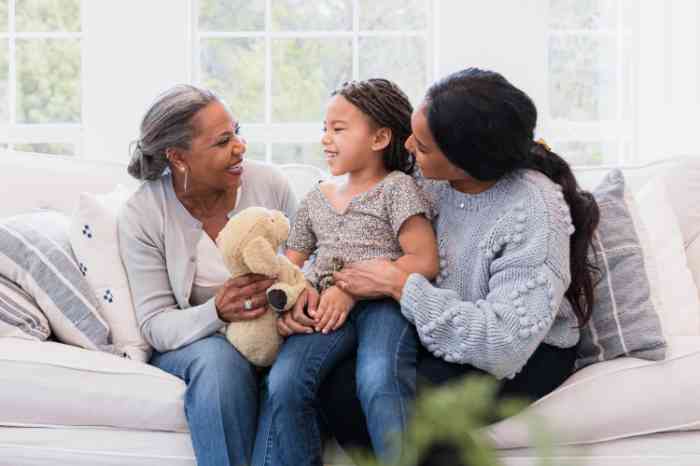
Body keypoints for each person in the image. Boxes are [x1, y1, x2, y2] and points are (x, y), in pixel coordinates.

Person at [301, 68, 600, 453]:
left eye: (423, 146)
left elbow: (502, 344)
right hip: (432, 330)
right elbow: (353, 233)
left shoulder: (533, 211)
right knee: (338, 388)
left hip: (522, 349)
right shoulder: (424, 178)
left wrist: (397, 284)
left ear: (466, 161)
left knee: (403, 408)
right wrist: (310, 288)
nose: (408, 146)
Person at [252, 79, 440, 466]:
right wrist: (293, 301)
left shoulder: (397, 189)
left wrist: (352, 287)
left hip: (384, 305)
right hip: (324, 311)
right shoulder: (315, 198)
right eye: (324, 128)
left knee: (379, 380)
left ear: (380, 138)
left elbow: (423, 261)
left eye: (338, 129)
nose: (325, 138)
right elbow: (290, 265)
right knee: (284, 384)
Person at [118, 84, 296, 466]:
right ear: (178, 157)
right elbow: (155, 323)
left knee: (295, 371)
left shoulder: (269, 184)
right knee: (219, 363)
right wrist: (217, 310)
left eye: (238, 131)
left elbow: (304, 266)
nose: (240, 147)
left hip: (275, 331)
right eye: (222, 141)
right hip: (196, 345)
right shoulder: (145, 213)